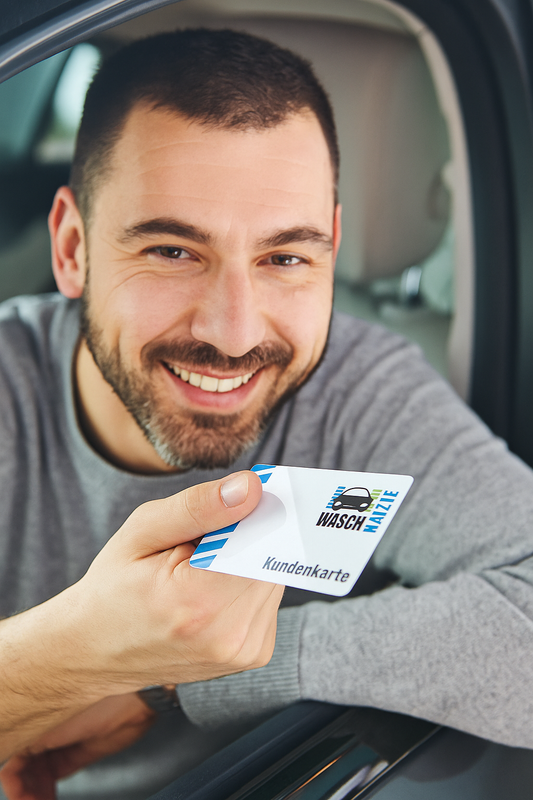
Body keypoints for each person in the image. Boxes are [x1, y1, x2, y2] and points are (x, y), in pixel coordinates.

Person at [1, 25, 533, 800]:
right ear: (73, 247)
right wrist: (81, 652)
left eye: (285, 257)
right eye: (172, 251)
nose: (234, 332)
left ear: (332, 249)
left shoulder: (360, 392)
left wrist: (182, 677)